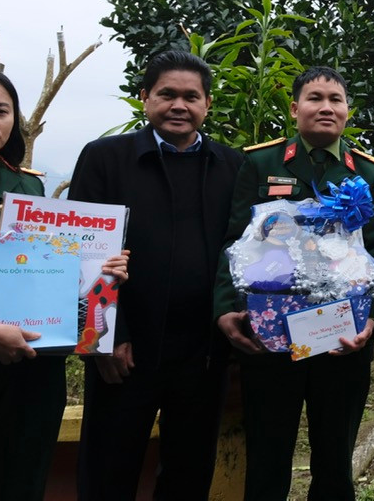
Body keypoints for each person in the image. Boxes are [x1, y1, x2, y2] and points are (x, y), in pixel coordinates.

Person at [214, 66, 374, 501]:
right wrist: (226, 307)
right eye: (315, 98)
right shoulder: (261, 163)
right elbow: (233, 239)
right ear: (295, 109)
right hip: (271, 336)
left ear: (347, 111)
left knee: (334, 461)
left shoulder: (369, 174)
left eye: (336, 99)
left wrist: (371, 322)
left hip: (341, 338)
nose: (326, 107)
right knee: (268, 458)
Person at [70, 49, 242, 500]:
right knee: (109, 474)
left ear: (207, 104)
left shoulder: (231, 165)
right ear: (145, 98)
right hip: (124, 352)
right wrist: (103, 338)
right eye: (167, 94)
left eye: (191, 96)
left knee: (189, 476)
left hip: (203, 355)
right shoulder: (105, 158)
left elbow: (243, 251)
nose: (178, 106)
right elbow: (80, 250)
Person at [0, 67, 128, 500]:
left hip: (33, 366)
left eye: (0, 110)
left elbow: (48, 264)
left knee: (21, 477)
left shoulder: (25, 184)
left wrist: (102, 271)